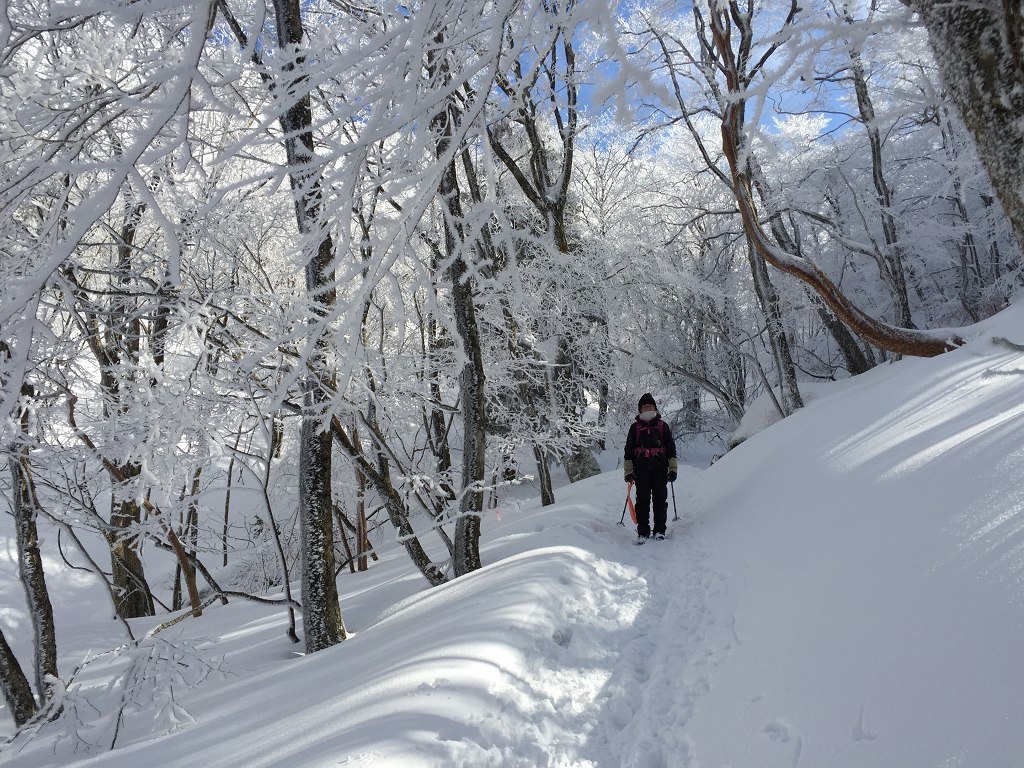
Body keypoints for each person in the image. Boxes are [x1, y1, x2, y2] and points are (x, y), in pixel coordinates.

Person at [624, 393, 677, 543]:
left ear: (655, 408)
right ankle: (643, 532)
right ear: (640, 409)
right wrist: (628, 472)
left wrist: (673, 469)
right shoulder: (634, 427)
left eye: (650, 406)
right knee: (642, 501)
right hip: (641, 470)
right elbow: (628, 450)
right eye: (644, 406)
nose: (647, 408)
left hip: (660, 469)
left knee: (660, 500)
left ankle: (660, 530)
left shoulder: (663, 426)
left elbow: (671, 448)